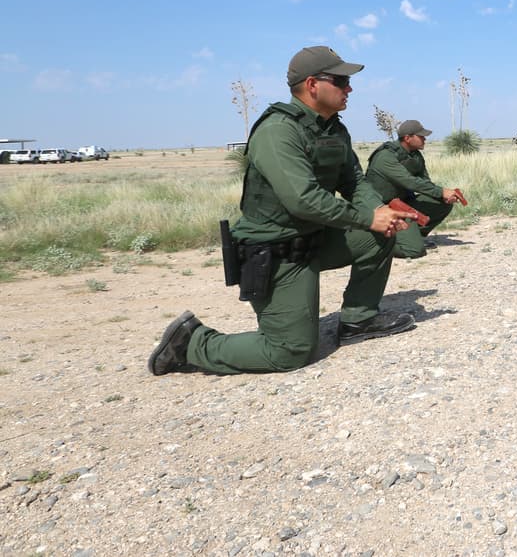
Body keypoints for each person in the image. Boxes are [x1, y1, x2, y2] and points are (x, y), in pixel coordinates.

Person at [148, 46, 419, 376]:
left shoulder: (334, 129)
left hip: (313, 240)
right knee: (290, 351)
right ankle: (191, 342)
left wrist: (378, 211)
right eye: (341, 80)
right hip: (275, 254)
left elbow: (354, 182)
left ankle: (358, 320)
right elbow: (302, 199)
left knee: (380, 233)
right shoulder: (278, 130)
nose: (350, 88)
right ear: (312, 85)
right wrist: (366, 217)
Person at [365, 119, 467, 258]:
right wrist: (442, 191)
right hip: (383, 210)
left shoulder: (415, 156)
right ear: (407, 138)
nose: (425, 139)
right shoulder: (385, 156)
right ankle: (379, 245)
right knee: (414, 251)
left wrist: (443, 196)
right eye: (421, 136)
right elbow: (410, 182)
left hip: (403, 205)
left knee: (440, 202)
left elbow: (425, 183)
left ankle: (414, 235)